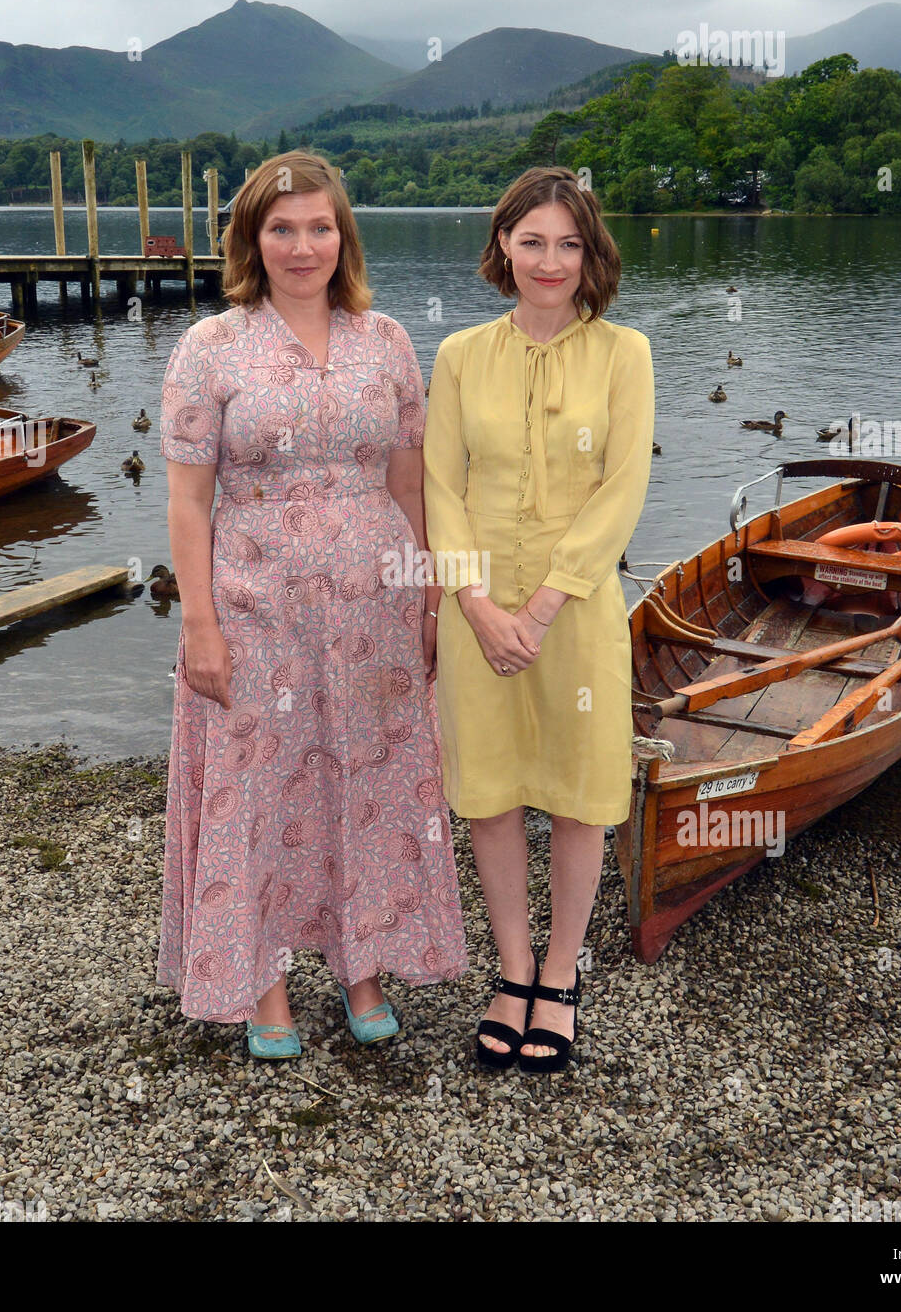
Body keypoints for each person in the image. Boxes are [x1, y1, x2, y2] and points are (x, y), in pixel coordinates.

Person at [156, 151, 468, 1060]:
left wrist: (428, 601)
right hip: (256, 604)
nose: (303, 245)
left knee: (365, 780)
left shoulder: (389, 342)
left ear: (344, 235)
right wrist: (200, 623)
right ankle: (260, 977)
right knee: (257, 785)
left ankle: (361, 963)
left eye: (319, 226)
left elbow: (408, 484)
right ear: (254, 238)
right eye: (282, 228)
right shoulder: (210, 348)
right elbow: (185, 502)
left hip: (374, 604)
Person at [423, 166, 654, 1072]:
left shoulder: (623, 354)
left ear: (590, 253)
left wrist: (549, 600)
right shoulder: (457, 357)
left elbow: (624, 484)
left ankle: (561, 971)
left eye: (567, 243)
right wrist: (475, 604)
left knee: (575, 797)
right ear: (503, 249)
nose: (549, 261)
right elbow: (442, 487)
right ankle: (511, 968)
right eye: (531, 242)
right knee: (489, 793)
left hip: (579, 611)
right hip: (475, 610)